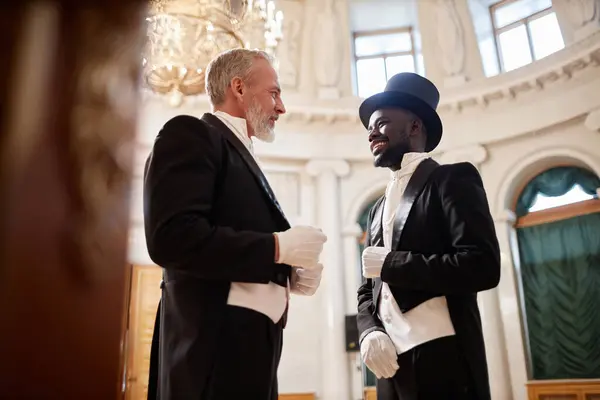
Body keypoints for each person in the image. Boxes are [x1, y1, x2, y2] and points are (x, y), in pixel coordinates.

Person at [143, 48, 328, 400]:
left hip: (253, 350)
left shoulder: (239, 153)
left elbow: (231, 240)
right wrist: (276, 248)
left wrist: (288, 273)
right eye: (274, 93)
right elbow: (172, 238)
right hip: (212, 351)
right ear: (239, 88)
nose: (282, 107)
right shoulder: (190, 134)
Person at [356, 72, 501, 400]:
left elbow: (483, 265)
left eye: (381, 123)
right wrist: (368, 332)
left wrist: (393, 264)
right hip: (388, 363)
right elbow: (367, 288)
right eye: (369, 127)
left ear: (414, 127)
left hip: (442, 357)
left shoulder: (453, 179)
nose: (371, 133)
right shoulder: (376, 208)